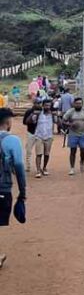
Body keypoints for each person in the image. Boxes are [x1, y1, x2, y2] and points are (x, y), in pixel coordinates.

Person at [0, 107, 26, 270]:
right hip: (2, 187)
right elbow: (18, 165)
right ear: (8, 122)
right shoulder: (11, 140)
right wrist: (22, 192)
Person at [63, 97, 84, 176]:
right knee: (73, 151)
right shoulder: (70, 111)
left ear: (82, 104)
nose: (78, 105)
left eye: (80, 103)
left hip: (83, 133)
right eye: (77, 103)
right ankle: (72, 168)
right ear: (74, 104)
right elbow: (63, 121)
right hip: (73, 134)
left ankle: (82, 161)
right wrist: (70, 124)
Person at [33, 99, 57, 178]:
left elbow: (58, 122)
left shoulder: (52, 115)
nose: (47, 107)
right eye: (46, 105)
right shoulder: (39, 114)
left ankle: (44, 168)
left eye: (49, 105)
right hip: (39, 135)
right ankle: (38, 170)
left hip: (49, 136)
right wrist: (34, 113)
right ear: (43, 106)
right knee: (39, 154)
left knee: (47, 154)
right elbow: (31, 121)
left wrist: (56, 115)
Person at [23, 99, 42, 172]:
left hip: (40, 133)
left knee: (39, 151)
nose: (38, 104)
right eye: (37, 103)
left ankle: (39, 167)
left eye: (39, 103)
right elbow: (24, 122)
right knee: (28, 150)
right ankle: (28, 166)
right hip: (31, 132)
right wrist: (31, 118)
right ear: (34, 103)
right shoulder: (29, 111)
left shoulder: (42, 112)